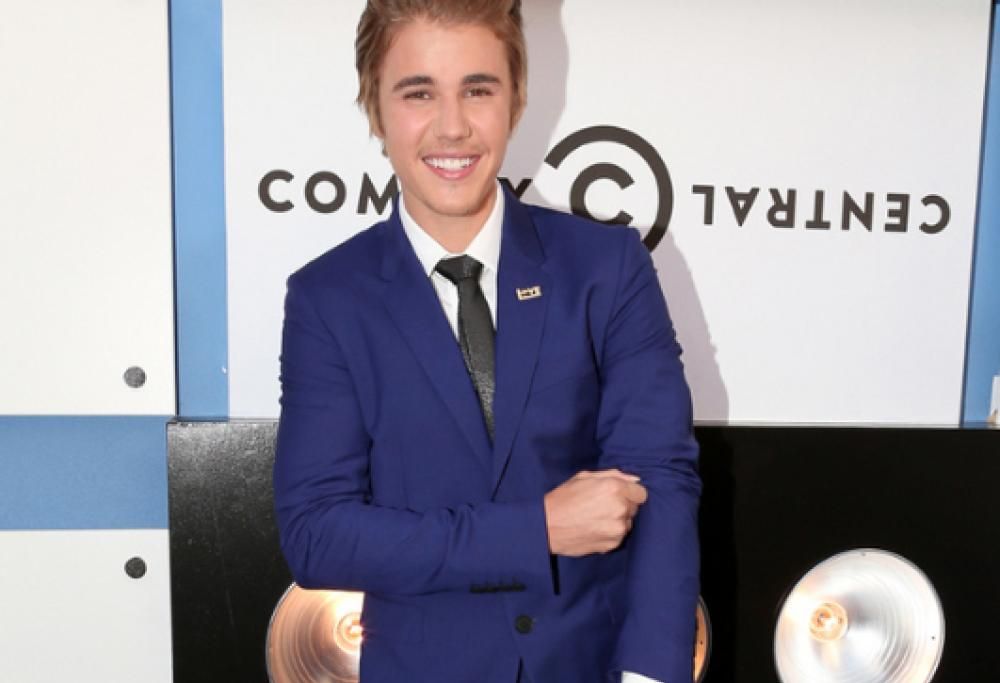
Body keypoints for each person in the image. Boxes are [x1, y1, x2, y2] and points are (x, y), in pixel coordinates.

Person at [273, 1, 701, 681]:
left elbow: (660, 482)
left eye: (478, 90)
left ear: (517, 98)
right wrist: (536, 530)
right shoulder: (329, 298)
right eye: (418, 93)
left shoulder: (607, 267)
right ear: (375, 109)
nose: (453, 126)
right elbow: (317, 535)